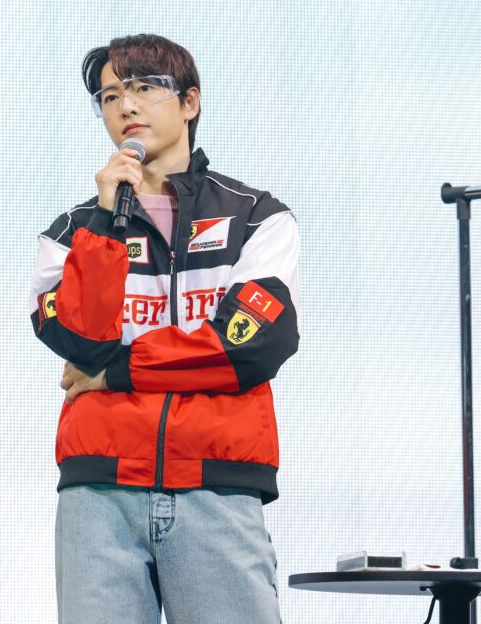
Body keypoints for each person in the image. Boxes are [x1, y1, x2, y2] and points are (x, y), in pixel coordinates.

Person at [29, 33, 300, 623]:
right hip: (98, 495)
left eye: (143, 88)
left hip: (217, 487)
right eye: (109, 97)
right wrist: (107, 220)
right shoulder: (71, 233)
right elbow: (82, 341)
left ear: (190, 102)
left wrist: (116, 374)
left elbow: (249, 347)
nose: (125, 105)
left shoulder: (257, 217)